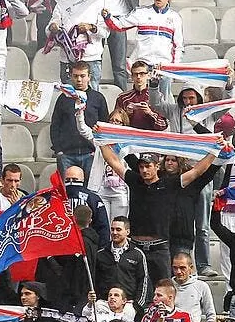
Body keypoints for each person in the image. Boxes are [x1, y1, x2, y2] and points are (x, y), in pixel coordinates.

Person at [103, 150, 218, 286]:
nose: (144, 170)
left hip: (159, 247)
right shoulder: (135, 180)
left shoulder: (169, 184)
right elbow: (114, 162)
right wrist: (101, 142)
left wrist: (214, 152)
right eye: (141, 167)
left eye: (148, 166)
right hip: (135, 246)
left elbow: (196, 172)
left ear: (157, 166)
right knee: (130, 285)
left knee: (164, 286)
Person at [102, 0, 183, 71]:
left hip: (164, 67)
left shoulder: (175, 17)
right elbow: (118, 25)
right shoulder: (141, 12)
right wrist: (107, 16)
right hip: (142, 66)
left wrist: (175, 67)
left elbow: (178, 46)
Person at [50, 62, 109, 178]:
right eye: (76, 76)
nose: (79, 79)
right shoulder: (63, 98)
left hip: (91, 153)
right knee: (67, 192)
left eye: (82, 76)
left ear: (89, 77)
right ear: (71, 77)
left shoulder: (98, 98)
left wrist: (98, 150)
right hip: (67, 154)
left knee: (91, 191)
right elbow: (55, 125)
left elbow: (104, 125)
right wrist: (59, 150)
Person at [115, 61, 168, 132]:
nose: (138, 77)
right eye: (135, 74)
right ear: (131, 77)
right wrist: (127, 114)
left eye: (142, 74)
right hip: (129, 137)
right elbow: (115, 123)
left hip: (151, 137)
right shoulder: (123, 97)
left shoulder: (157, 97)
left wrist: (150, 112)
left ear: (148, 75)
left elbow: (163, 125)